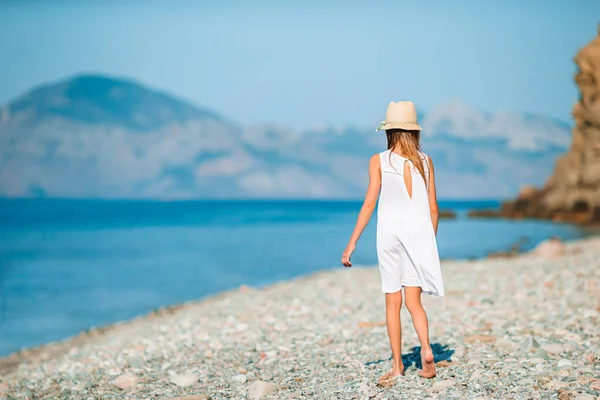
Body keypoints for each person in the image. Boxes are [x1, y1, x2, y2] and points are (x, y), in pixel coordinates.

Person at [341, 101, 445, 387]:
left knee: (392, 301)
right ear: (414, 132)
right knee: (414, 301)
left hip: (389, 234)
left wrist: (351, 245)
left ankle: (398, 366)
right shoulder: (426, 161)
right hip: (418, 235)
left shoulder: (379, 160)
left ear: (389, 132)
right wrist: (428, 243)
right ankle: (426, 349)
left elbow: (369, 204)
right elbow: (433, 209)